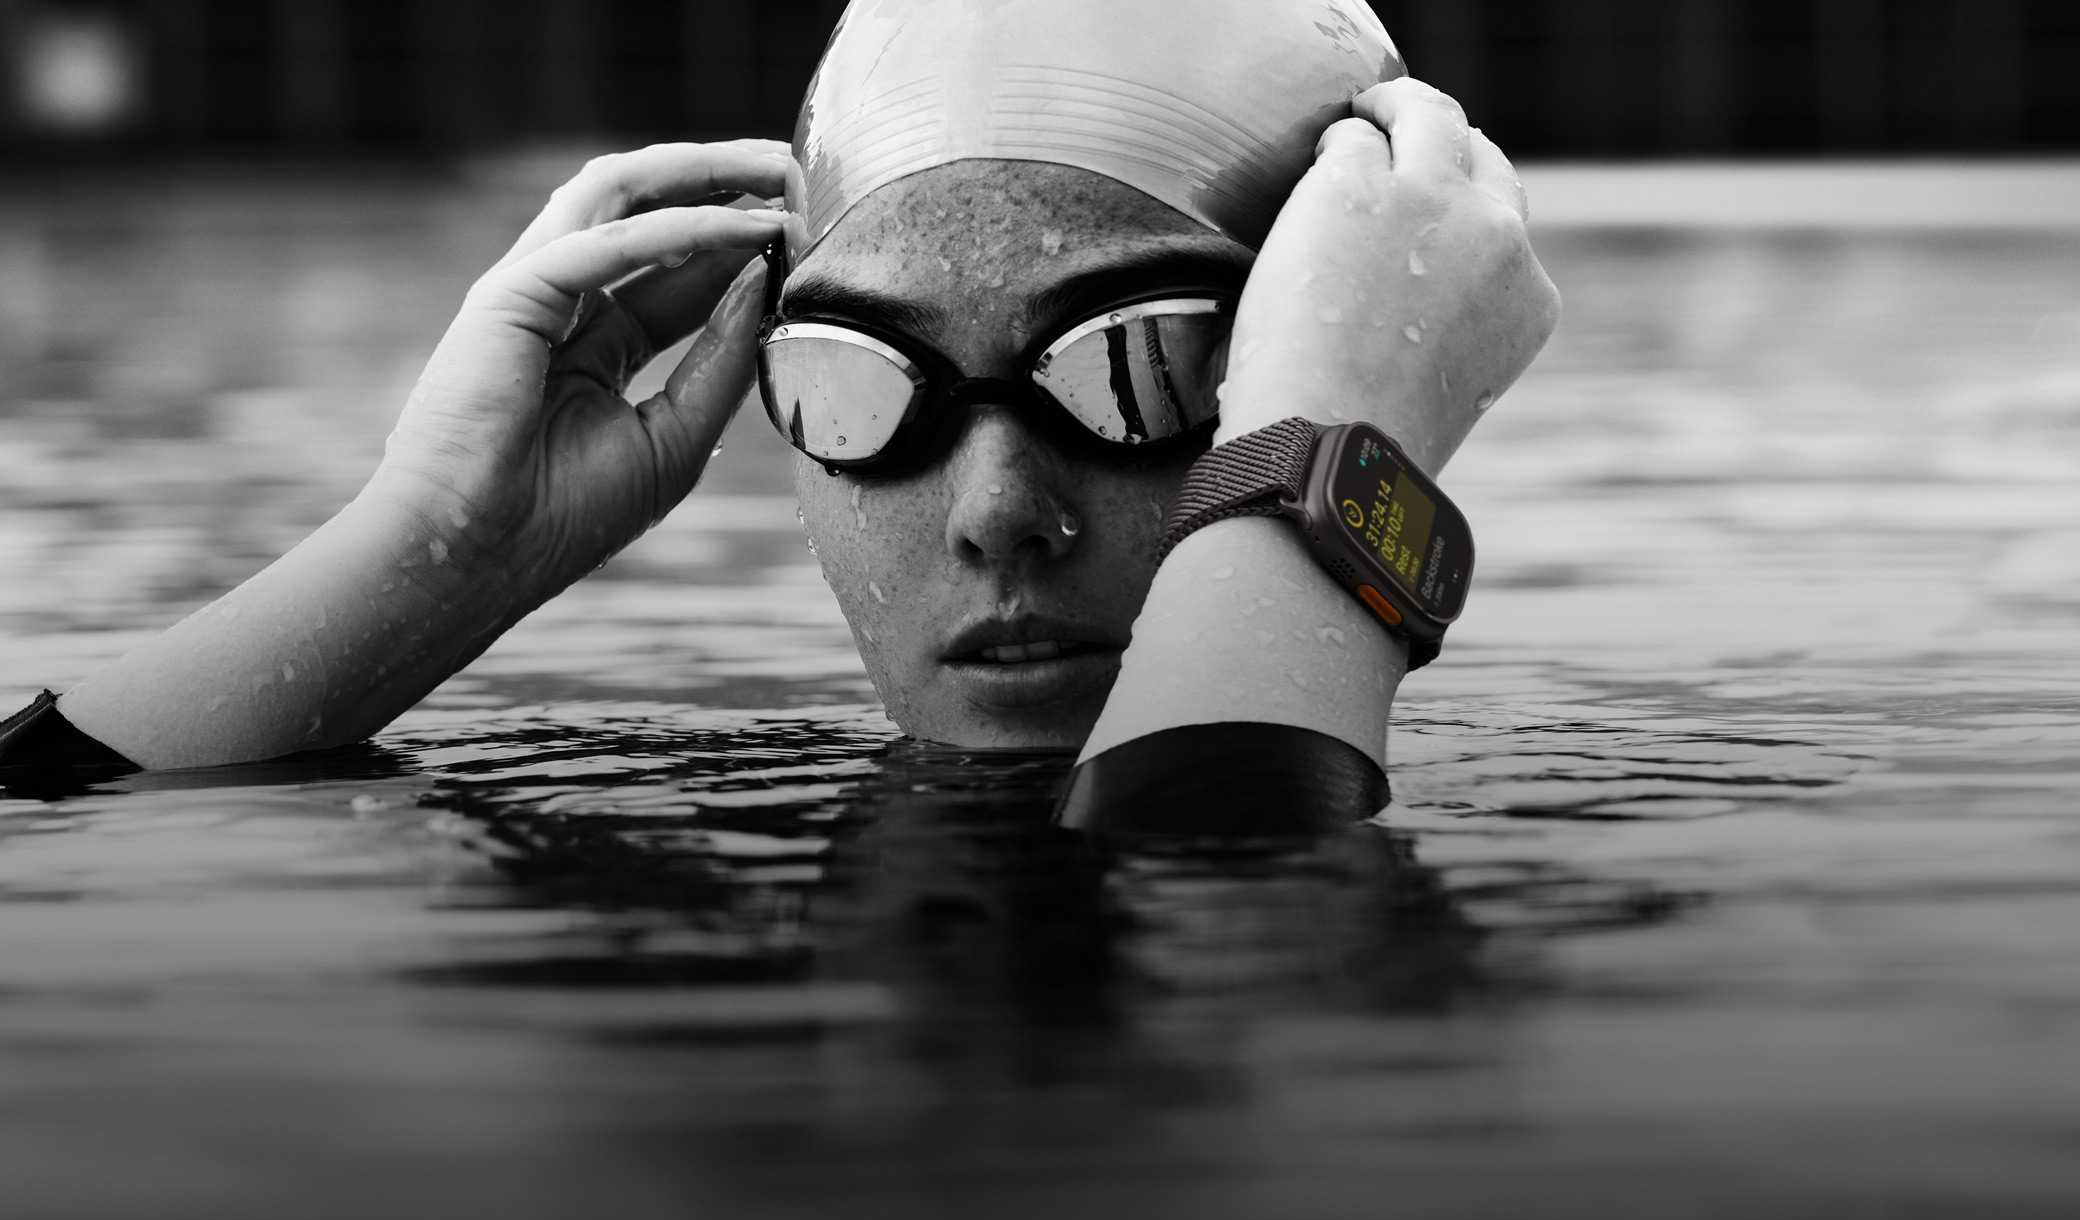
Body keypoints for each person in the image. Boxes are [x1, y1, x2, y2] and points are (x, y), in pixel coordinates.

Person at [0, 0, 1558, 833]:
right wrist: (427, 554)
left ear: (1317, 362)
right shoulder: (677, 885)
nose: (997, 510)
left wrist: (1316, 472)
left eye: (1140, 367)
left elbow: (1253, 1005)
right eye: (859, 380)